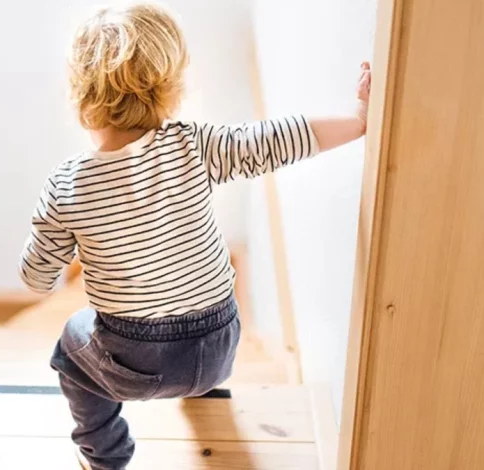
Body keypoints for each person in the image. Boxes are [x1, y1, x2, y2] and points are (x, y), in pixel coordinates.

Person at [18, 3, 371, 469]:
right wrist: (359, 119)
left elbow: (37, 280)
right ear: (170, 86)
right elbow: (277, 139)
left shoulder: (67, 186)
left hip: (134, 364)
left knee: (70, 347)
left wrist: (56, 235)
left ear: (79, 94)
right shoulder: (194, 144)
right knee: (199, 317)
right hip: (221, 343)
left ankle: (105, 457)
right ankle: (208, 395)